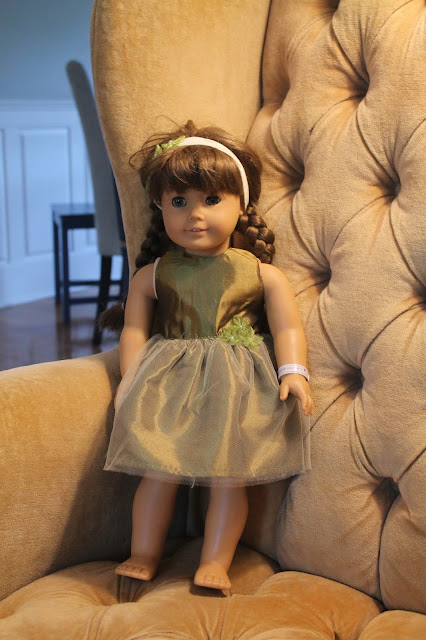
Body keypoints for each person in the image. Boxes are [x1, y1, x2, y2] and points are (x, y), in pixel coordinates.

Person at [103, 121, 313, 591]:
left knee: (228, 479)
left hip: (236, 388)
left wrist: (294, 371)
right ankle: (143, 552)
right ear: (160, 206)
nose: (194, 215)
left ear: (241, 205)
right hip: (166, 385)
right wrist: (129, 382)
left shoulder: (261, 274)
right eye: (179, 202)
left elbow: (287, 327)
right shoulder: (153, 275)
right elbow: (134, 331)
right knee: (158, 472)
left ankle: (216, 561)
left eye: (212, 200)